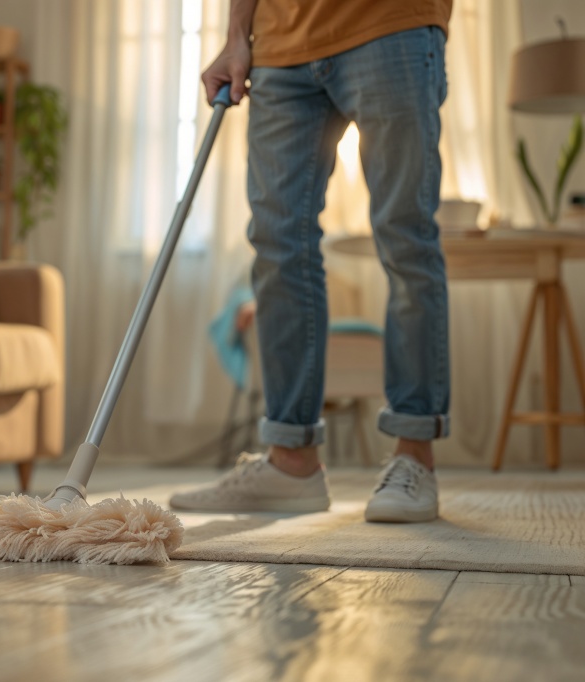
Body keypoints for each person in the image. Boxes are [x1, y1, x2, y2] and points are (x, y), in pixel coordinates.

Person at [171, 0, 453, 523]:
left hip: (389, 26)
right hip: (279, 45)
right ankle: (290, 461)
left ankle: (415, 456)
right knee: (278, 247)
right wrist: (238, 38)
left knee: (404, 235)